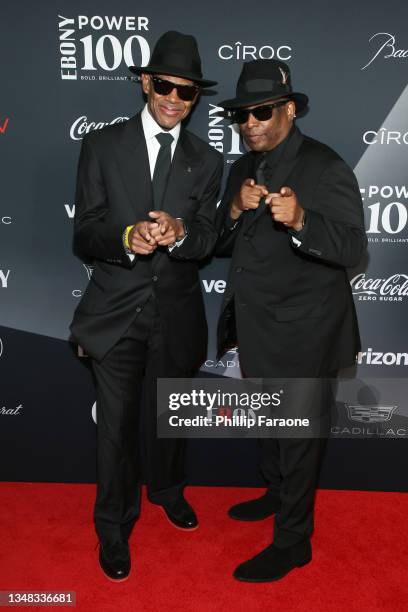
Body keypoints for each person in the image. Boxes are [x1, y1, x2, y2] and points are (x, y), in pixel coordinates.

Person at [70, 30, 223, 581]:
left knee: (169, 421)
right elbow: (85, 232)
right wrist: (126, 236)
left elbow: (209, 239)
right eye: (164, 85)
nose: (173, 99)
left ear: (195, 98)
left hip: (177, 314)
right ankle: (113, 527)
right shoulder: (103, 146)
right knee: (115, 431)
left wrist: (182, 232)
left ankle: (167, 490)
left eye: (186, 92)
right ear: (144, 82)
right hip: (116, 314)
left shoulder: (207, 163)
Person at [215, 59, 367, 582]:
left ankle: (293, 541)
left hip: (308, 329)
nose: (249, 124)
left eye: (260, 112)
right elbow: (221, 241)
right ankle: (276, 494)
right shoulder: (241, 167)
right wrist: (233, 210)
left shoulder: (325, 166)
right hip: (257, 326)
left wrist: (303, 220)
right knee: (273, 426)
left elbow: (352, 247)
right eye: (240, 116)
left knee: (300, 440)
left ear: (286, 109)